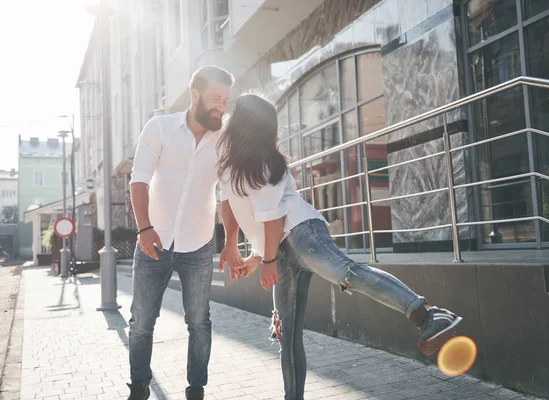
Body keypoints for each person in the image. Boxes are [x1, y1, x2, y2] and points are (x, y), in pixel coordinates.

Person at [218, 93, 462, 400]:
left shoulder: (267, 162)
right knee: (287, 335)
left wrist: (265, 261)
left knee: (346, 273)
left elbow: (275, 218)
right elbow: (230, 201)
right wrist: (242, 249)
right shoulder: (227, 154)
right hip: (276, 248)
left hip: (300, 231)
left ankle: (428, 315)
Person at [128, 66, 234, 400]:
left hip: (199, 244)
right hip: (153, 241)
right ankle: (140, 387)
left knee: (199, 322)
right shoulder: (160, 127)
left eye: (226, 100)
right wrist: (144, 228)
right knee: (142, 321)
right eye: (216, 98)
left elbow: (229, 194)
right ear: (195, 95)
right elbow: (139, 179)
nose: (221, 106)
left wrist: (231, 242)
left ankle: (196, 390)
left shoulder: (224, 140)